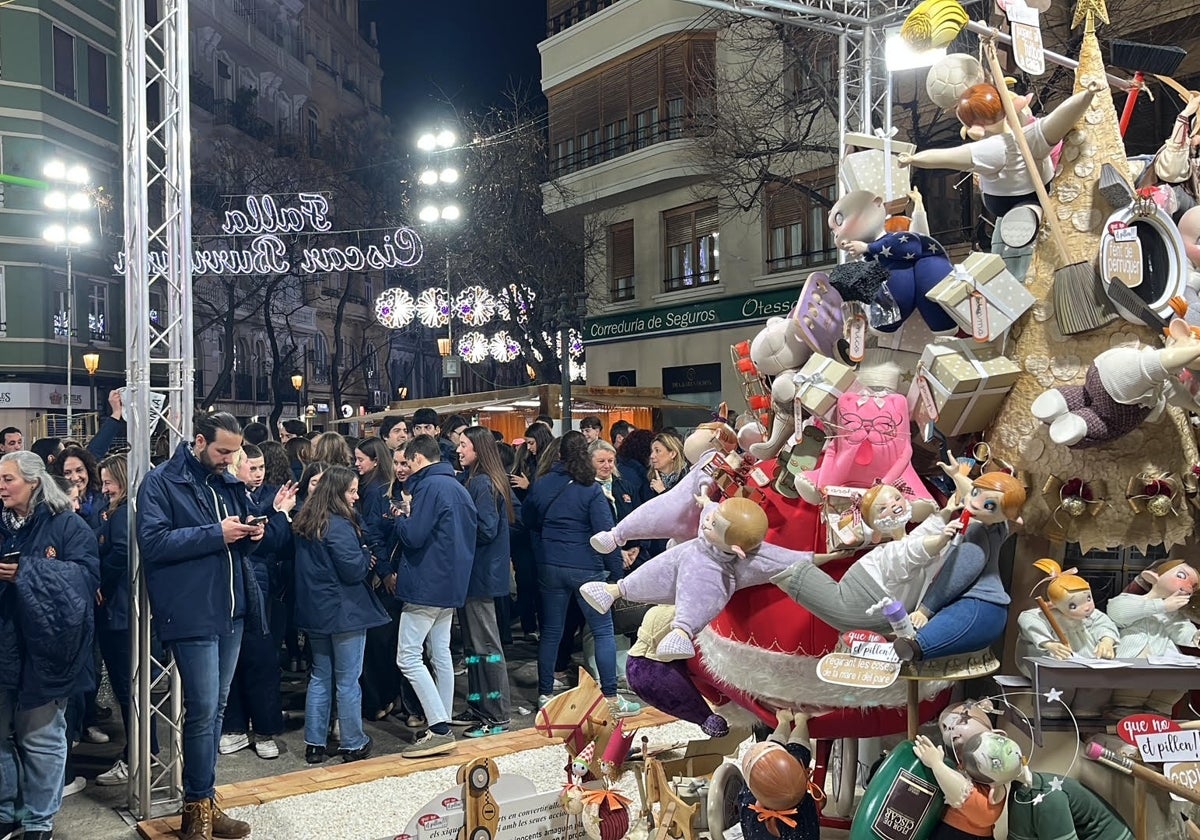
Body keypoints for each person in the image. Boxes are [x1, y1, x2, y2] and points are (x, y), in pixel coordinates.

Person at [136, 412, 293, 840]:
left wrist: (254, 532)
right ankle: (197, 809)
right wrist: (215, 533)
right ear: (200, 441)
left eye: (235, 452)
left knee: (216, 710)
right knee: (204, 711)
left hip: (235, 607)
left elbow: (240, 534)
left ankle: (203, 802)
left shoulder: (227, 482)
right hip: (193, 612)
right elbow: (152, 543)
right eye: (223, 451)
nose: (230, 459)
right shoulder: (162, 482)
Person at [0, 451, 99, 840]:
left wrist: (28, 570)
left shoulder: (68, 526)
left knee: (40, 738)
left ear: (34, 482)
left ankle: (39, 821)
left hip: (48, 651)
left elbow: (85, 579)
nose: (1, 486)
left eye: (8, 479)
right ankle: (6, 812)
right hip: (4, 644)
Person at [523, 431, 639, 717]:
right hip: (587, 567)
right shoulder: (590, 490)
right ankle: (610, 697)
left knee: (551, 630)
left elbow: (529, 519)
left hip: (550, 565)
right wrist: (614, 574)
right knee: (602, 631)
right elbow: (605, 536)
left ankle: (545, 694)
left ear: (558, 454)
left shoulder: (543, 483)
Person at [292, 465, 389, 764]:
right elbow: (353, 570)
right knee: (348, 681)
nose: (356, 496)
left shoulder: (304, 521)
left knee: (320, 677)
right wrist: (364, 553)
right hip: (345, 613)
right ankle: (352, 742)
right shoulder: (338, 525)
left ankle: (315, 745)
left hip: (315, 612)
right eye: (351, 490)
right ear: (336, 492)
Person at [392, 435, 477, 758]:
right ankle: (440, 719)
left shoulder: (428, 487)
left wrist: (401, 517)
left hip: (427, 583)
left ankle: (439, 728)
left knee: (408, 656)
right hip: (452, 583)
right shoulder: (457, 486)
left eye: (406, 462)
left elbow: (414, 536)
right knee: (439, 651)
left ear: (416, 459)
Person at [219, 444, 290, 761]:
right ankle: (233, 727)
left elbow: (277, 544)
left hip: (263, 592)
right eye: (252, 467)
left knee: (263, 661)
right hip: (229, 589)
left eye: (262, 468)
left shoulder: (272, 496)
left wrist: (277, 516)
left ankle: (264, 730)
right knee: (230, 664)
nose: (258, 474)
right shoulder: (222, 496)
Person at [93, 454, 160, 786]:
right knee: (132, 689)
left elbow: (120, 552)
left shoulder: (123, 513)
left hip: (119, 611)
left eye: (109, 481)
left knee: (128, 689)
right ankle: (143, 750)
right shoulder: (127, 510)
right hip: (123, 609)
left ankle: (139, 754)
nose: (104, 488)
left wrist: (99, 583)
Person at [453, 427, 514, 737]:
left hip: (480, 577)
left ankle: (498, 715)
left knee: (486, 646)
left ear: (478, 449)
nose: (458, 449)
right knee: (475, 648)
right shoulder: (481, 480)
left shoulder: (481, 482)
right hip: (478, 577)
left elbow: (487, 528)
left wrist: (456, 527)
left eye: (463, 445)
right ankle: (478, 706)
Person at [51, 445, 106, 528]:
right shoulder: (54, 506)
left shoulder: (104, 497)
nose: (75, 478)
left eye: (79, 470)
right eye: (67, 473)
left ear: (88, 470)